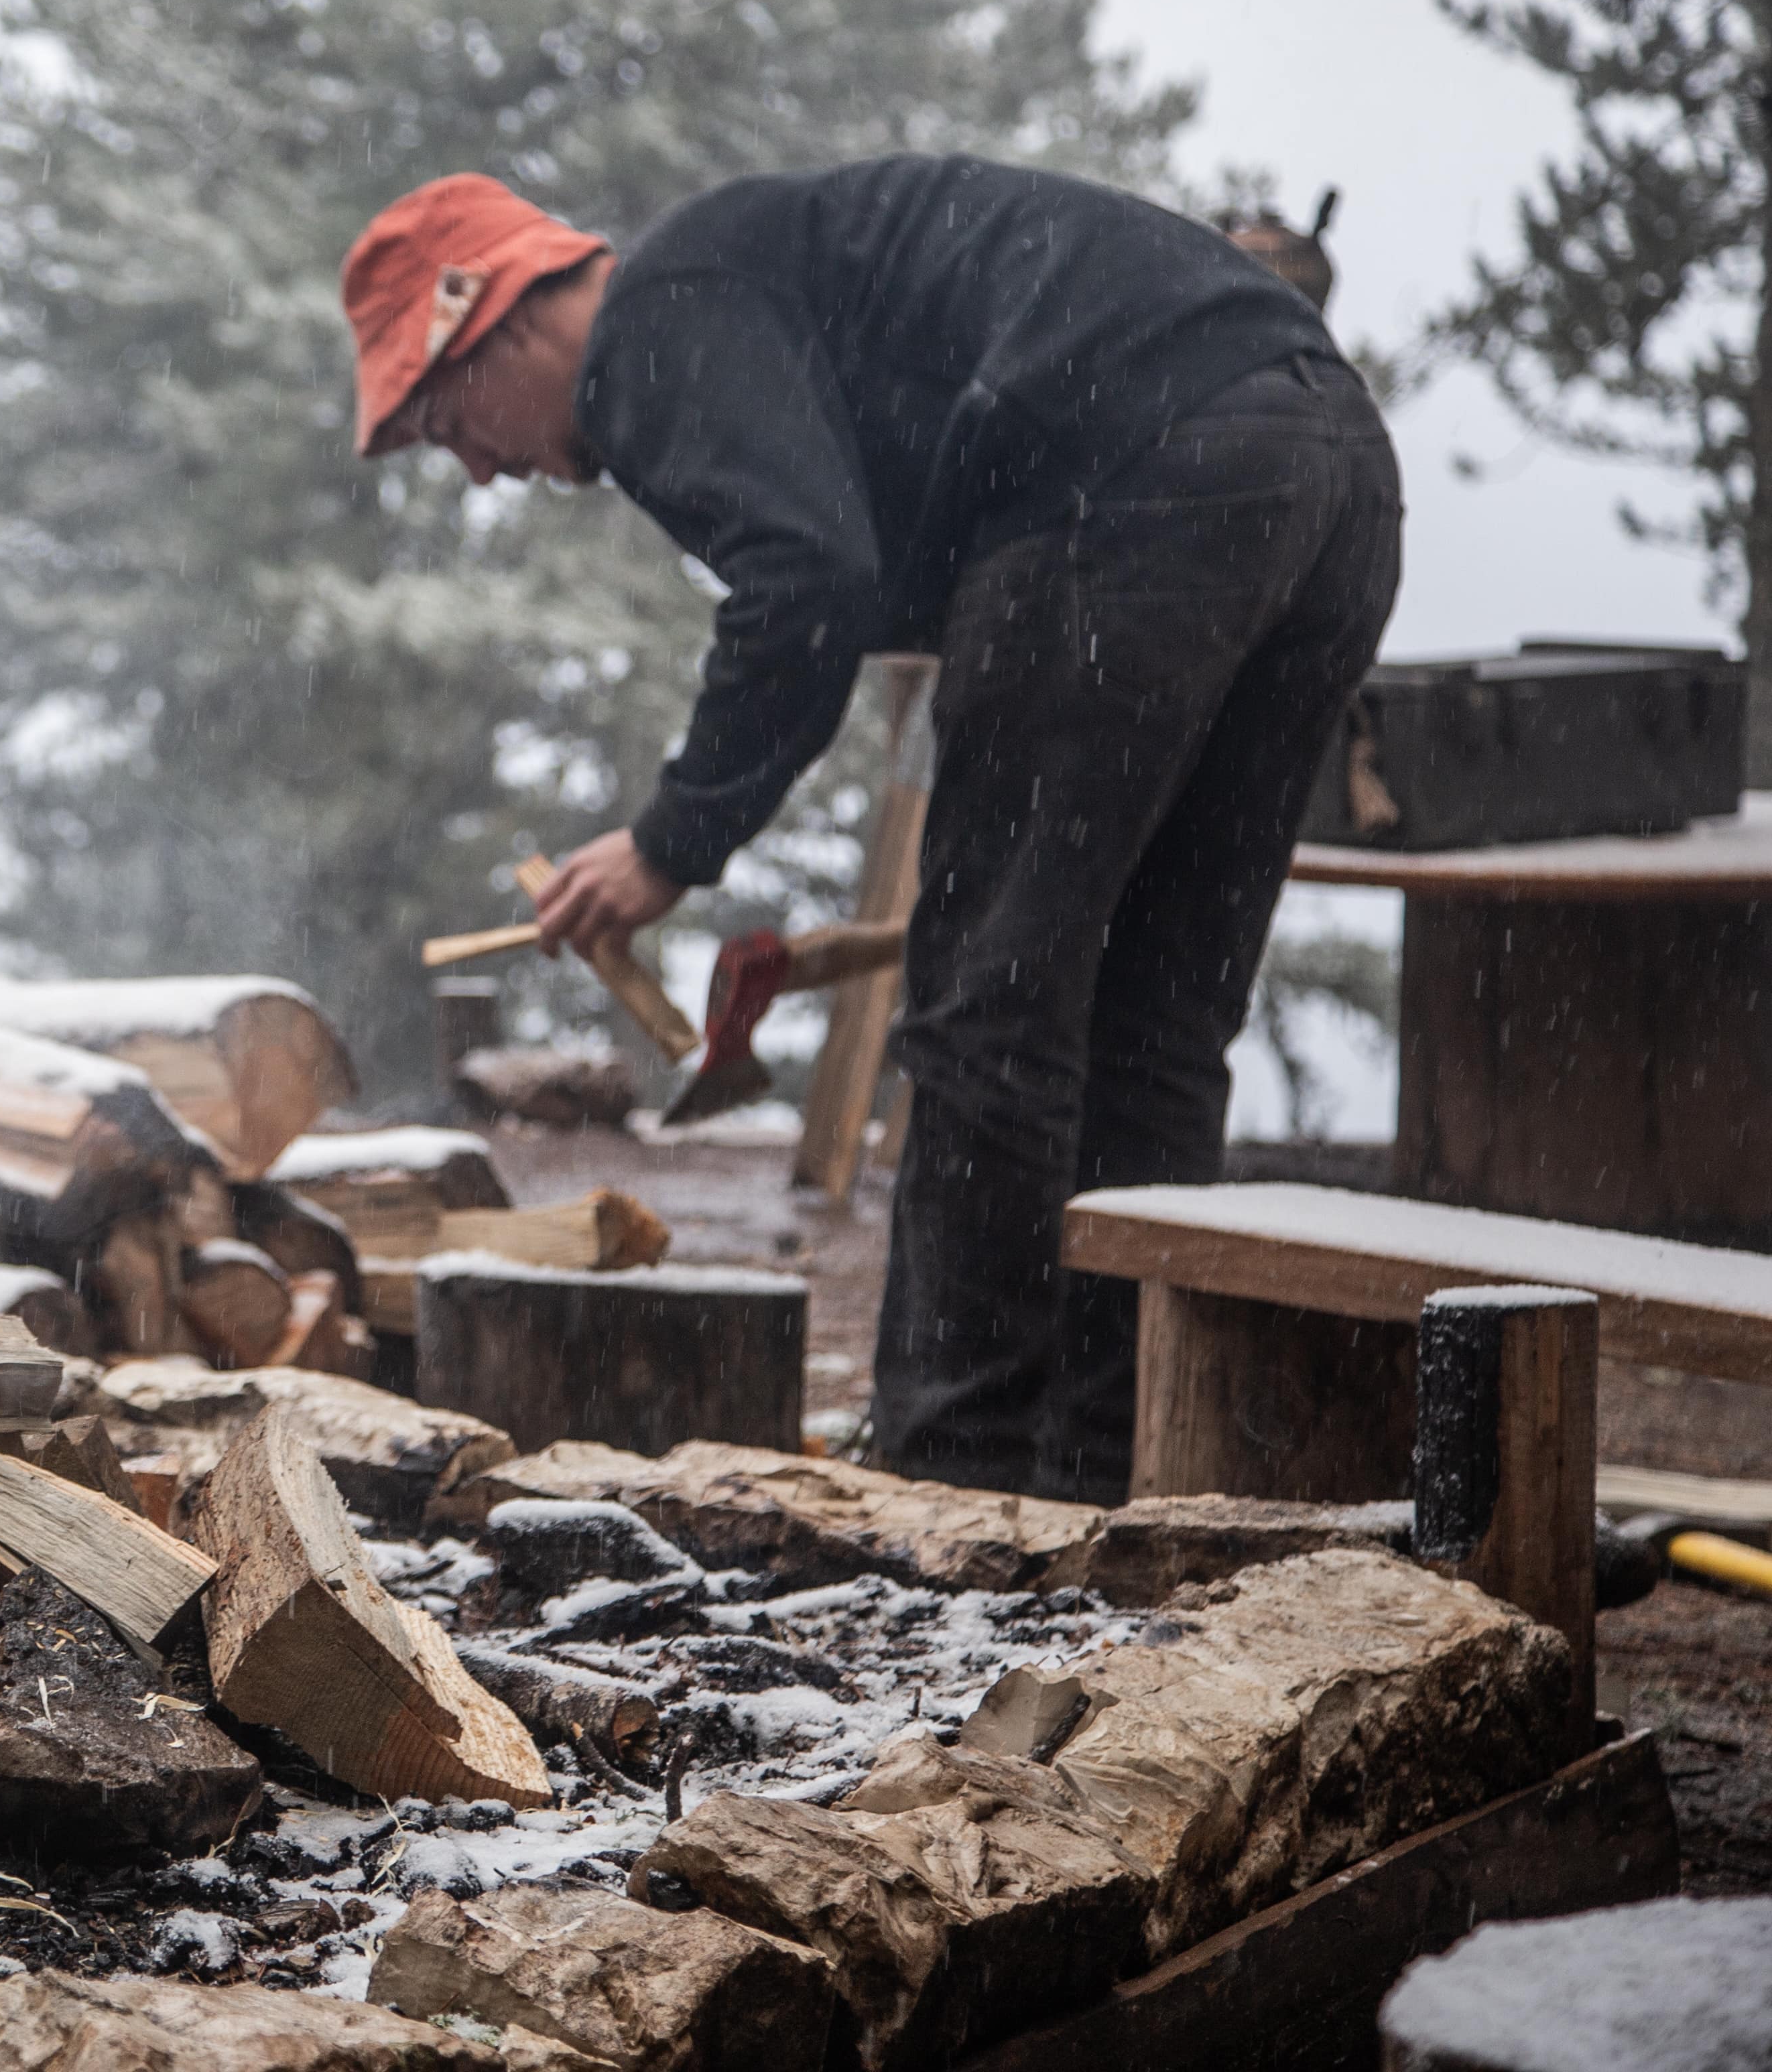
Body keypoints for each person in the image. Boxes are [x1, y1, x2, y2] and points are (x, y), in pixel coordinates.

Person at [340, 155, 1399, 1501]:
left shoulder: (651, 317)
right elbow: (852, 552)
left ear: (493, 310)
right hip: (1335, 471)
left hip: (1134, 475)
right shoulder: (760, 284)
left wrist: (673, 839)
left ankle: (954, 1477)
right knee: (1155, 1020)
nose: (479, 470)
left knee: (990, 1012)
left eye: (448, 423)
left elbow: (804, 579)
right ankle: (1115, 1468)